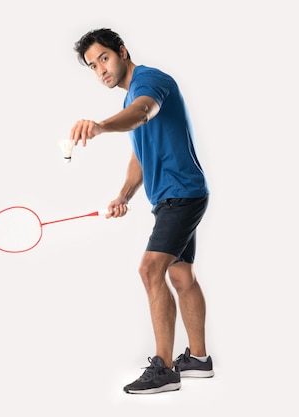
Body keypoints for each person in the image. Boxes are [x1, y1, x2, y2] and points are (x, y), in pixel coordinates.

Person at [70, 28, 214, 394]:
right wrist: (124, 195)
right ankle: (198, 360)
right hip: (173, 196)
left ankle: (164, 369)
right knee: (181, 276)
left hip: (181, 195)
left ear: (121, 51)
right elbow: (139, 152)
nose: (100, 69)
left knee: (150, 270)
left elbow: (143, 112)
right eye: (92, 66)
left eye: (104, 58)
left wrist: (101, 126)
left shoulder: (149, 81)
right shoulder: (129, 98)